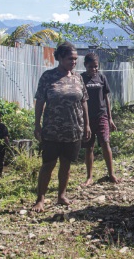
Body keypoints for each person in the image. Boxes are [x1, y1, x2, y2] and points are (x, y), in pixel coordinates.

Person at [32, 41, 91, 212]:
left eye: (75, 59)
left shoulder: (78, 78)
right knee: (48, 164)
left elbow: (84, 102)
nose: (73, 62)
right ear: (59, 58)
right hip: (52, 130)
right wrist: (37, 125)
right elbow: (40, 102)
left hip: (73, 130)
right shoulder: (48, 77)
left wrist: (86, 125)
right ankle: (40, 199)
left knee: (66, 164)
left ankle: (61, 195)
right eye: (69, 59)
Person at [81, 52, 119, 186]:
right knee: (89, 147)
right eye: (91, 66)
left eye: (96, 66)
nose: (93, 69)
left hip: (101, 115)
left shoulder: (102, 78)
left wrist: (110, 118)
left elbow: (106, 98)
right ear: (85, 65)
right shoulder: (80, 79)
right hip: (87, 119)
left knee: (105, 143)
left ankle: (111, 174)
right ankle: (89, 177)